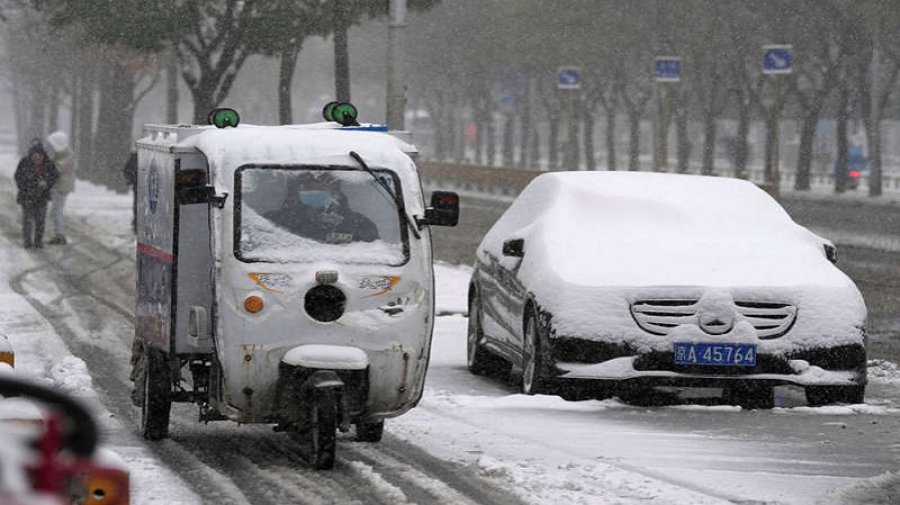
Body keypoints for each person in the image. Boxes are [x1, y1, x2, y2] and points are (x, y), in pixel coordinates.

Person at [265, 173, 379, 243]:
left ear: (335, 190)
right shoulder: (274, 222)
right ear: (294, 191)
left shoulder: (359, 224)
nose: (315, 191)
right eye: (307, 187)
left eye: (323, 187)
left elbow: (376, 257)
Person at [15, 139, 59, 249]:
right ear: (31, 154)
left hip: (42, 197)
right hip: (27, 196)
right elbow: (18, 177)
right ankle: (27, 242)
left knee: (40, 220)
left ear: (42, 154)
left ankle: (38, 241)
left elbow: (55, 176)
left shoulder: (48, 164)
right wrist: (27, 186)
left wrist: (47, 183)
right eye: (34, 155)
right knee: (27, 220)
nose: (37, 157)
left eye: (39, 155)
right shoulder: (24, 163)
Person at [46, 131, 75, 245]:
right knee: (55, 211)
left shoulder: (67, 155)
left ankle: (60, 235)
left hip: (62, 186)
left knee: (56, 211)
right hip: (59, 185)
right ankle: (58, 234)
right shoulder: (62, 154)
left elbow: (57, 168)